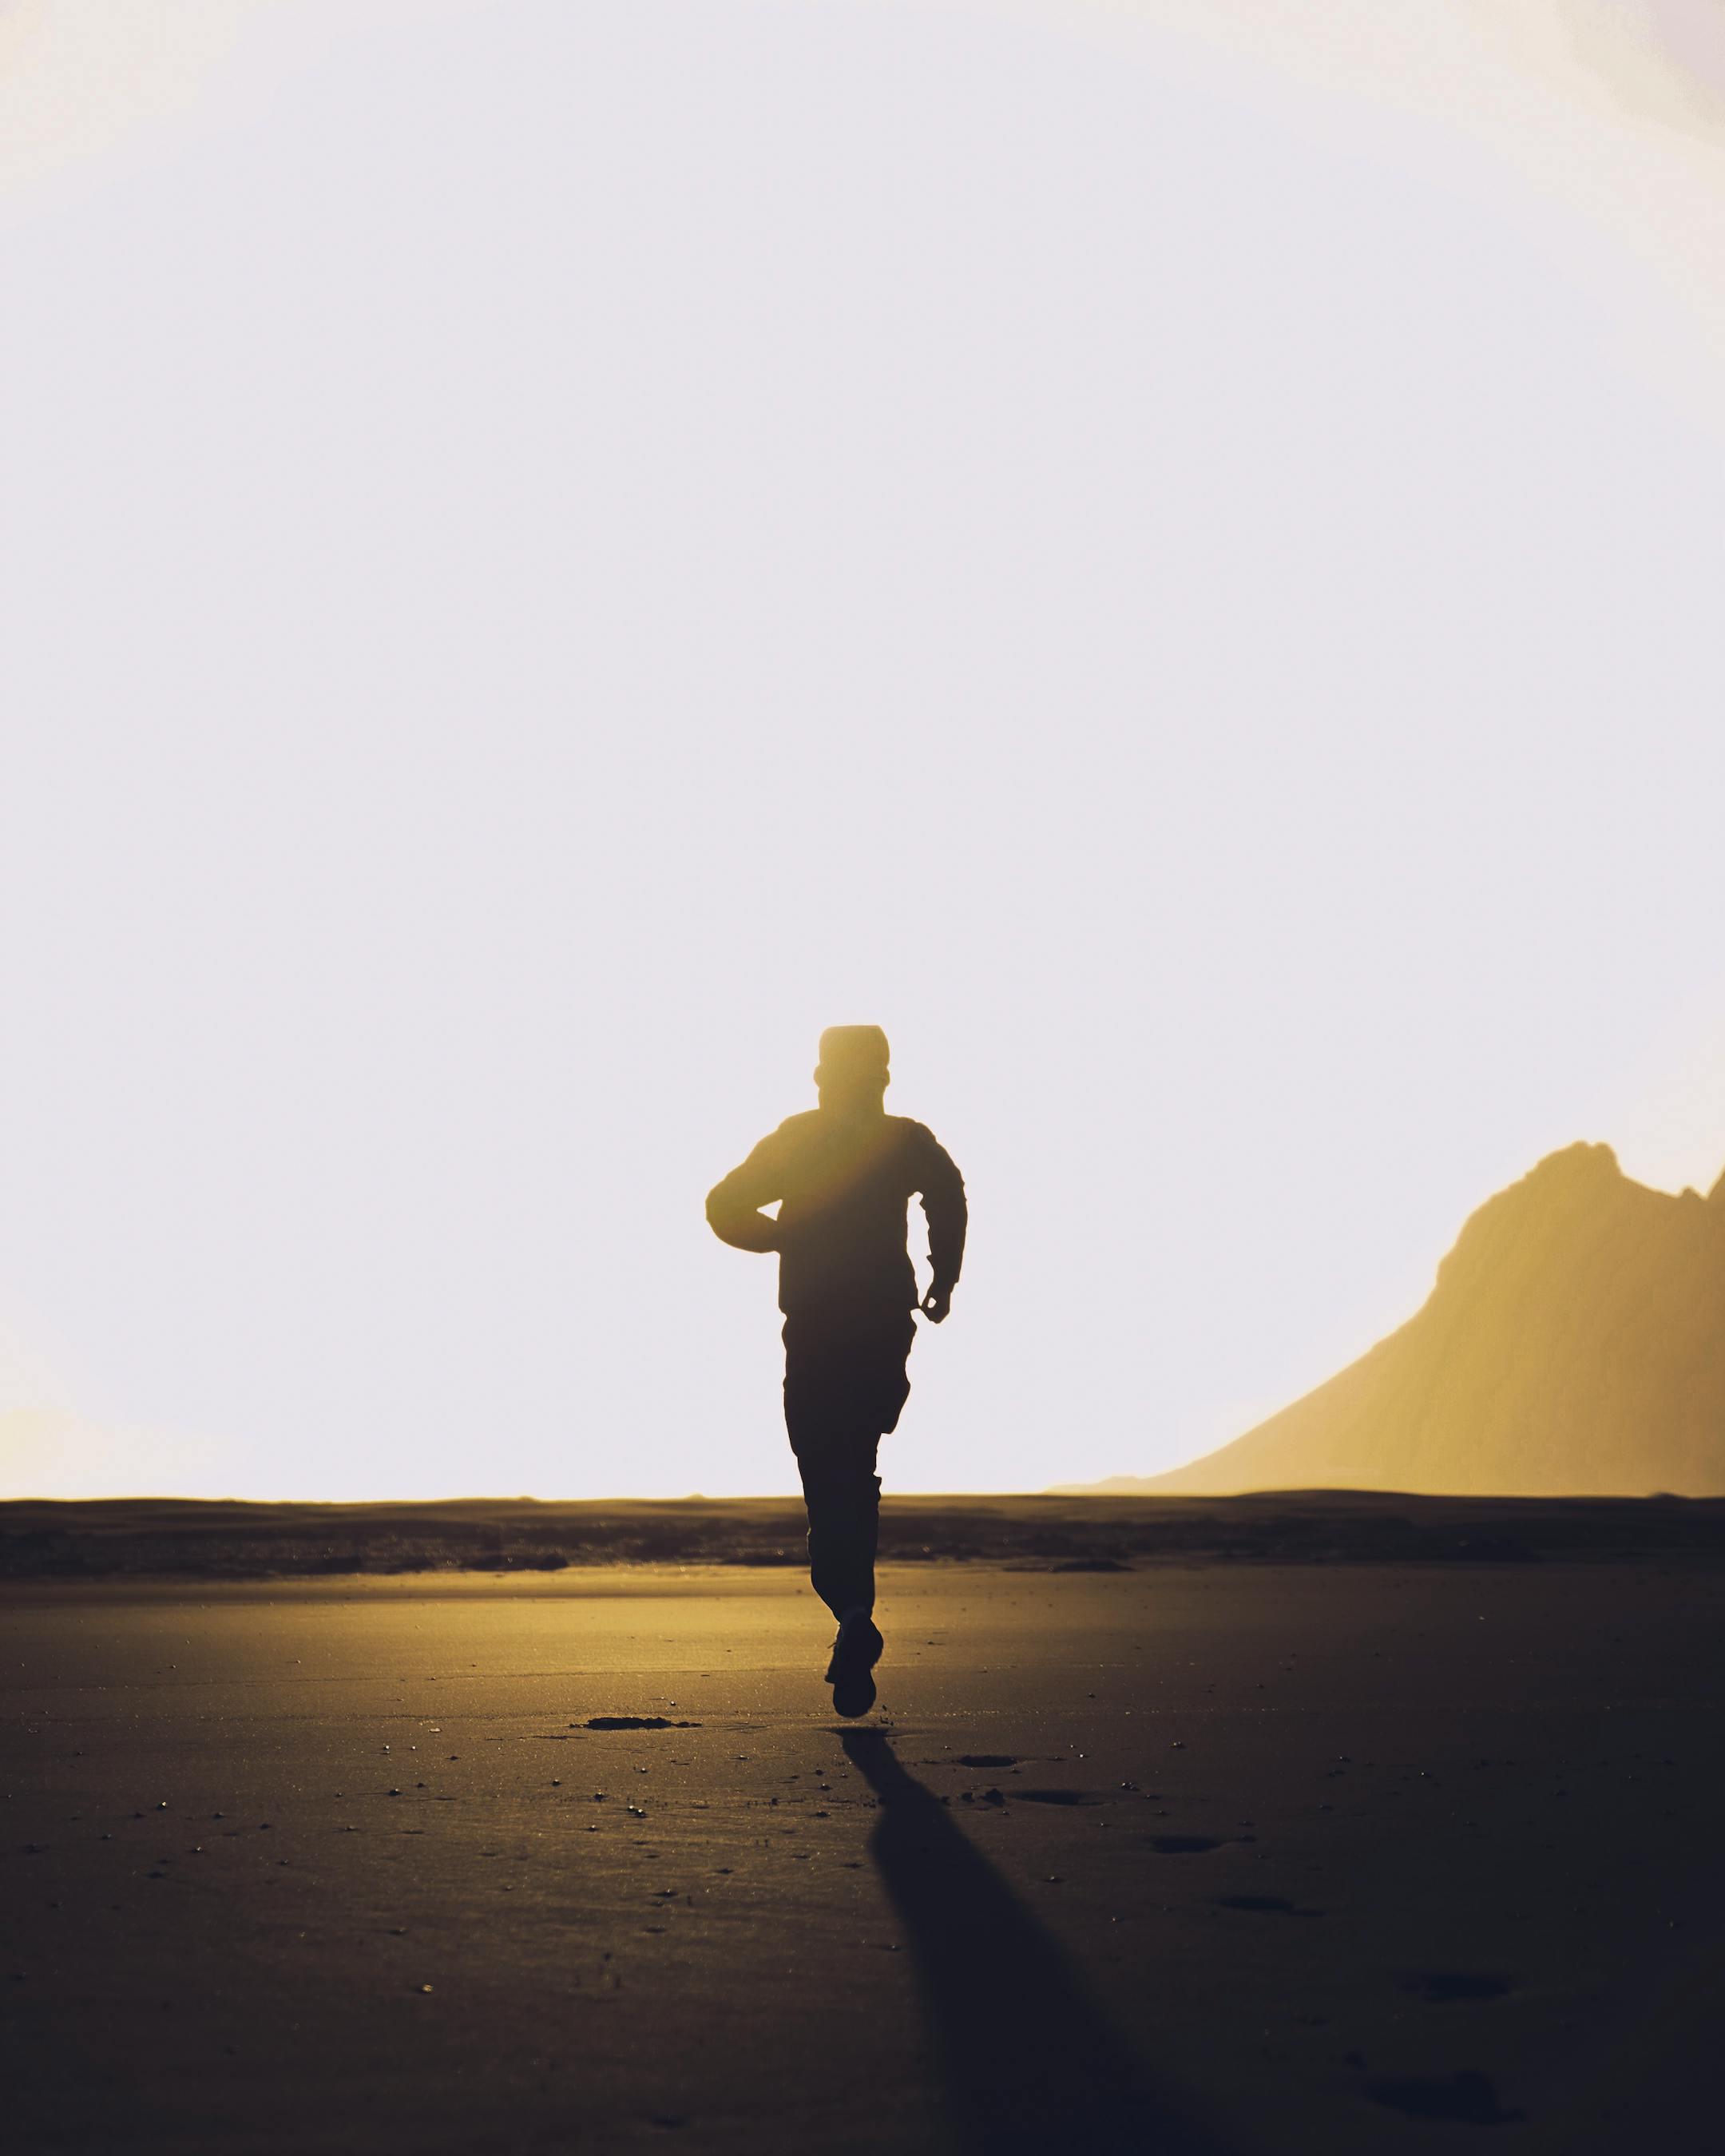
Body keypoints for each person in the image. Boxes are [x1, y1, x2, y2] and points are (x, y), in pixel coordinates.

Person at [706, 1026, 967, 1716]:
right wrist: (943, 1277)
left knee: (829, 1478)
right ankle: (853, 1614)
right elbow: (949, 1193)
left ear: (822, 1077)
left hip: (819, 1328)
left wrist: (781, 1238)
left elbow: (723, 1204)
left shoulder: (800, 1138)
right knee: (853, 1467)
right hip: (882, 1327)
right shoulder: (904, 1140)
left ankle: (853, 1612)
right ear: (882, 1078)